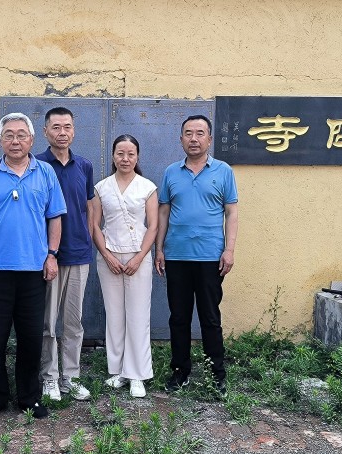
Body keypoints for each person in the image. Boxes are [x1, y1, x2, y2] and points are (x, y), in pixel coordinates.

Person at [0, 112, 66, 421]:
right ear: (1, 140)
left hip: (32, 271)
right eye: (8, 135)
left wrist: (52, 254)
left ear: (31, 139)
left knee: (30, 339)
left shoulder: (45, 172)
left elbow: (55, 217)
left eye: (21, 135)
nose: (15, 140)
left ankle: (28, 398)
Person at [155, 115, 238, 394]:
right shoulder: (171, 172)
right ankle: (180, 371)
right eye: (188, 133)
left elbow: (232, 212)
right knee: (179, 317)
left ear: (209, 139)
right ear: (181, 139)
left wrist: (229, 249)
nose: (194, 139)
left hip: (210, 257)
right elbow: (163, 212)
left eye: (200, 133)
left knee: (210, 318)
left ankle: (217, 374)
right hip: (177, 256)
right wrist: (159, 249)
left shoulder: (223, 171)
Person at [91, 134, 158, 398]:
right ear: (113, 156)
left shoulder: (147, 187)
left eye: (130, 154)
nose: (125, 159)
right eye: (120, 153)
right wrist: (107, 255)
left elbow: (153, 226)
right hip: (109, 257)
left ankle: (137, 374)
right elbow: (95, 225)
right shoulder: (101, 187)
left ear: (137, 157)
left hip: (138, 257)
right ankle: (118, 370)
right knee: (115, 315)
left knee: (138, 316)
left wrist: (139, 257)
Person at [37, 107, 94, 402]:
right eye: (56, 127)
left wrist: (89, 237)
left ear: (74, 130)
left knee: (74, 322)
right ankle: (48, 377)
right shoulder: (36, 166)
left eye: (67, 127)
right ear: (45, 131)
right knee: (47, 323)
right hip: (48, 257)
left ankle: (70, 376)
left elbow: (89, 207)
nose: (62, 133)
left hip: (79, 254)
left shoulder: (84, 166)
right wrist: (47, 252)